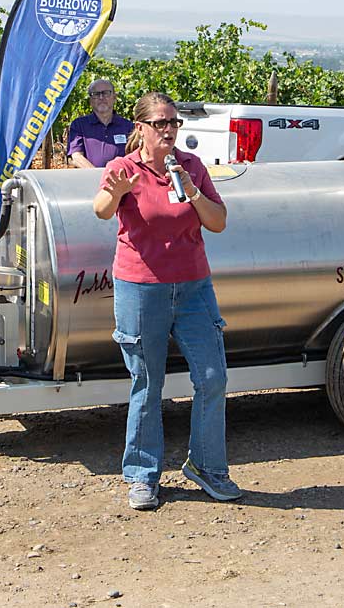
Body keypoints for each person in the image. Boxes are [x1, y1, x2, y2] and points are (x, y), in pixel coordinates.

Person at [93, 91, 240, 511]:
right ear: (140, 128)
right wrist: (117, 192)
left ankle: (207, 467)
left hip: (194, 288)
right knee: (147, 383)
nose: (170, 130)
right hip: (141, 288)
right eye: (160, 123)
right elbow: (101, 209)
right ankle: (142, 476)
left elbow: (219, 222)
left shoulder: (190, 168)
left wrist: (193, 191)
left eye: (174, 123)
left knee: (213, 378)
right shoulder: (124, 168)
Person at [67, 79, 134, 168]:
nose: (101, 97)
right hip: (90, 180)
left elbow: (135, 156)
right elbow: (76, 157)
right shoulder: (79, 125)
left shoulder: (128, 126)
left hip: (121, 179)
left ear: (114, 97)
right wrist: (97, 175)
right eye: (96, 94)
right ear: (90, 101)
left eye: (106, 93)